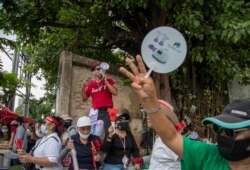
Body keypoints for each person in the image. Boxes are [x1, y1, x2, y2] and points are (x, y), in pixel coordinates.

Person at [119, 55, 250, 170]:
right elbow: (171, 137)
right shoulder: (207, 155)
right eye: (218, 128)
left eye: (230, 132)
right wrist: (150, 100)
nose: (221, 135)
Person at [82, 62, 118, 134]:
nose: (101, 70)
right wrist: (83, 87)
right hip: (95, 112)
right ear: (93, 72)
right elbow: (84, 99)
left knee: (109, 133)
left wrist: (106, 82)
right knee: (94, 133)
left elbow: (115, 93)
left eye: (101, 69)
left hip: (108, 111)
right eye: (98, 69)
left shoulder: (109, 80)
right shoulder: (91, 84)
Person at [146, 100, 181, 170]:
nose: (147, 117)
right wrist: (141, 160)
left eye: (153, 114)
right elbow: (159, 158)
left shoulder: (171, 140)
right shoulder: (160, 137)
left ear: (165, 119)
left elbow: (189, 159)